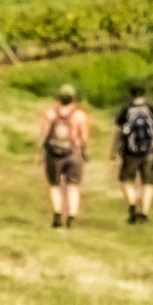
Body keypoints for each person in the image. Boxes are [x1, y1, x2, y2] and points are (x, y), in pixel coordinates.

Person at [37, 84, 90, 229]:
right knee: (73, 186)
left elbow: (43, 136)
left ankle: (57, 215)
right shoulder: (79, 115)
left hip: (53, 154)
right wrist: (84, 151)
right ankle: (71, 218)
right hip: (73, 153)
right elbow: (84, 137)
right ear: (74, 99)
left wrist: (40, 152)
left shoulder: (50, 114)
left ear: (58, 97)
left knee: (54, 186)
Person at [112, 84, 153, 223]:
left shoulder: (125, 111)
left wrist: (115, 151)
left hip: (130, 153)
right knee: (148, 183)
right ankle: (144, 213)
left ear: (131, 95)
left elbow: (118, 133)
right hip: (150, 152)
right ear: (145, 95)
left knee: (126, 180)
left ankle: (132, 203)